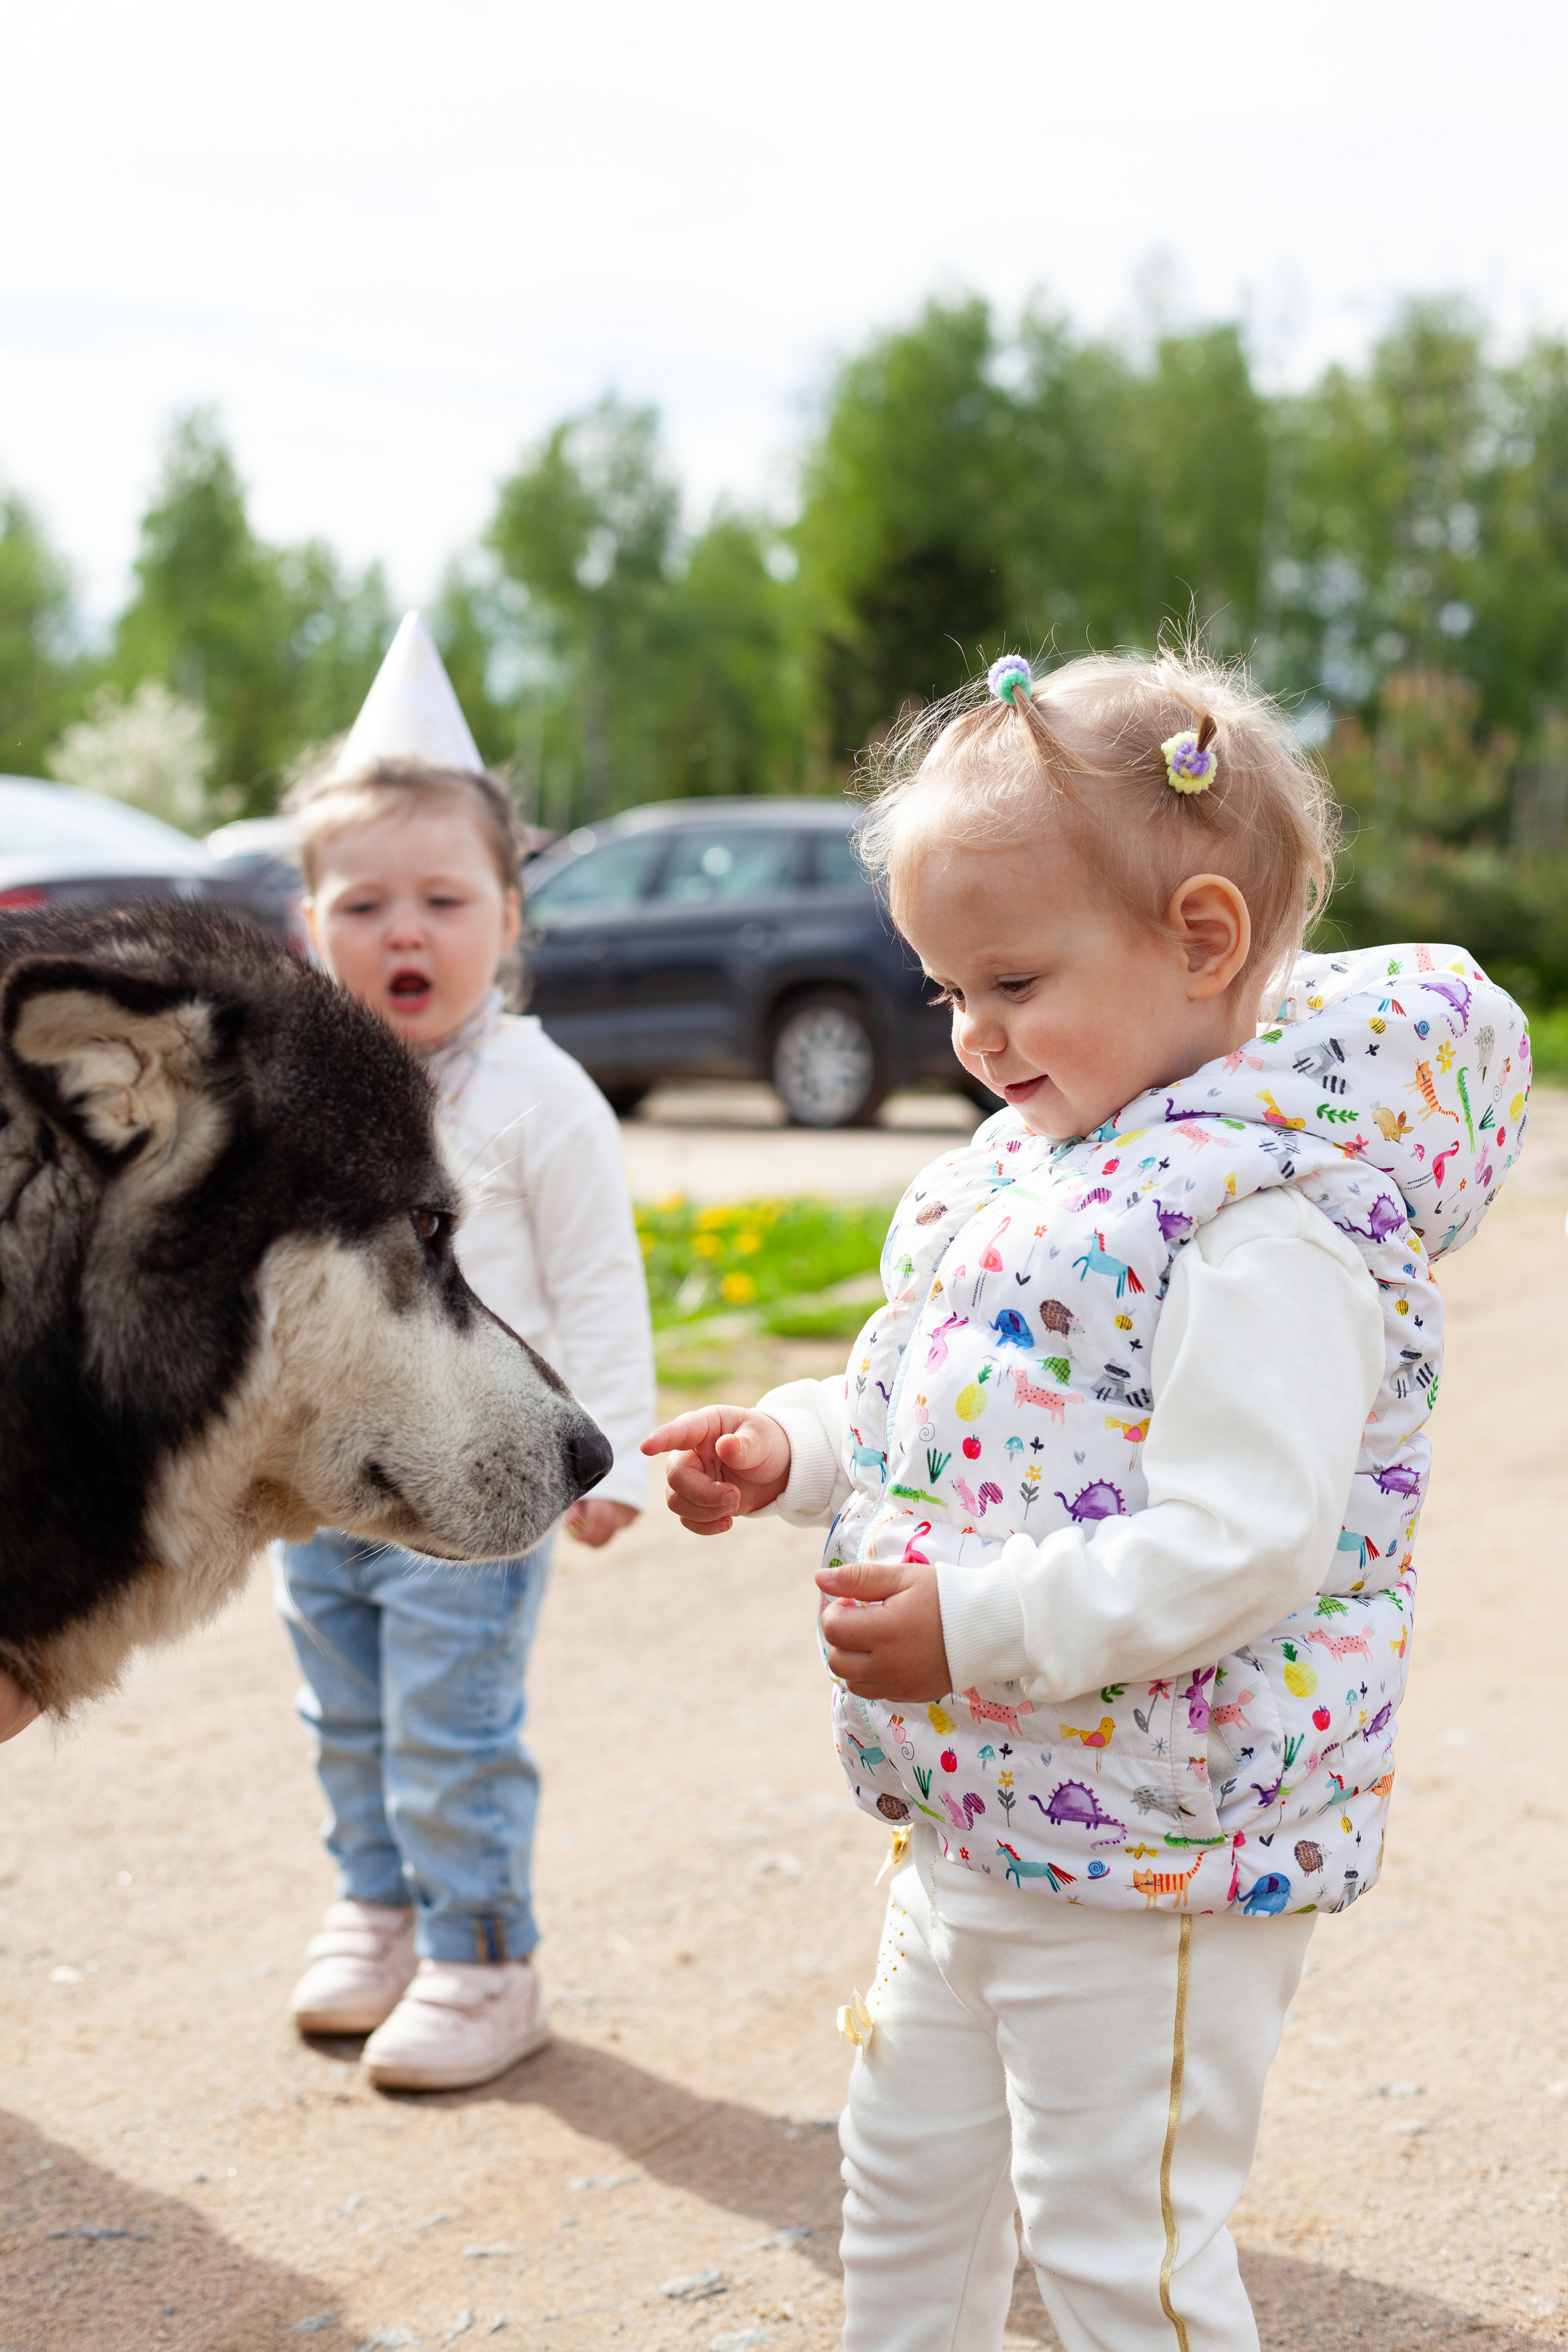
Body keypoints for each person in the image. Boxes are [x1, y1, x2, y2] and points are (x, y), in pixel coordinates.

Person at [645, 647, 1528, 2352]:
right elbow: (957, 1416)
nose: (972, 1036)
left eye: (1012, 981)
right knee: (905, 2187)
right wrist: (798, 1451)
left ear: (1203, 939)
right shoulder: (1041, 1169)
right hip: (982, 1816)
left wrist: (973, 1625)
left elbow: (1245, 1547)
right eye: (943, 994)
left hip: (1160, 1851)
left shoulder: (1270, 1226)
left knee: (1115, 2243)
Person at [277, 612, 655, 2092]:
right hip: (329, 1480)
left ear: (509, 911)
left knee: (449, 1717)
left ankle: (485, 1956)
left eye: (442, 898)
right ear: (308, 922)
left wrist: (609, 1442)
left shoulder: (540, 1096)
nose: (404, 932)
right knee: (344, 1703)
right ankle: (380, 1911)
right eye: (362, 904)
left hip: (480, 1488)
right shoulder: (303, 1089)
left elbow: (597, 1280)